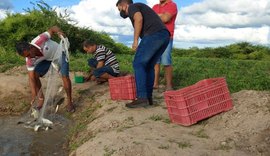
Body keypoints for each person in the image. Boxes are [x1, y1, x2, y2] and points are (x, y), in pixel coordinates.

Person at [116, 0, 170, 108]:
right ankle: (148, 97)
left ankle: (142, 97)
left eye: (119, 9)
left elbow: (139, 18)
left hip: (154, 35)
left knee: (138, 63)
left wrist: (135, 40)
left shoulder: (132, 7)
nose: (120, 12)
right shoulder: (140, 6)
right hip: (164, 36)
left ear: (123, 5)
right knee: (149, 66)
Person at [16, 26, 75, 113]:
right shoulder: (29, 60)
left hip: (60, 54)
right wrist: (33, 95)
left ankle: (70, 101)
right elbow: (31, 78)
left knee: (64, 76)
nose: (29, 57)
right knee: (35, 75)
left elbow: (53, 28)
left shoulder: (40, 39)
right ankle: (41, 99)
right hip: (48, 59)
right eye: (26, 57)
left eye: (28, 54)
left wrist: (59, 32)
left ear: (31, 47)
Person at [152, 0, 178, 91]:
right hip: (155, 36)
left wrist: (155, 16)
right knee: (155, 61)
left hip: (167, 37)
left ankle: (169, 85)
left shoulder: (172, 5)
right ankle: (155, 83)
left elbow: (166, 19)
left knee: (166, 60)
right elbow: (150, 20)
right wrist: (161, 15)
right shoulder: (155, 6)